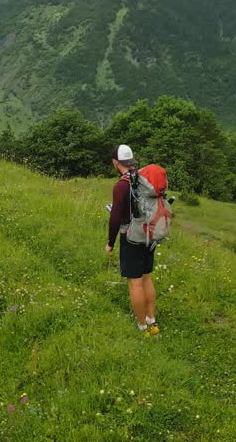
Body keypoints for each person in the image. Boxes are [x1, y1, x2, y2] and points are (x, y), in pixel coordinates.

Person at [105, 144, 160, 336]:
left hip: (131, 237)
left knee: (135, 282)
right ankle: (152, 320)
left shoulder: (122, 185)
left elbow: (115, 219)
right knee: (146, 278)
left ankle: (142, 327)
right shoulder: (144, 179)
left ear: (115, 162)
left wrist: (110, 243)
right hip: (150, 235)